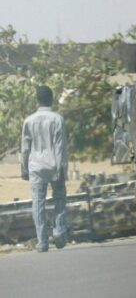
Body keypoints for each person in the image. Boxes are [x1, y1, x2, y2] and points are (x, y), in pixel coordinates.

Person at [20, 85, 68, 252]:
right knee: (60, 198)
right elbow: (59, 147)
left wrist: (24, 169)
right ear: (52, 99)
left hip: (36, 166)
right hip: (54, 164)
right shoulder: (57, 119)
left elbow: (25, 148)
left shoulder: (28, 121)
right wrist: (62, 169)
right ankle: (59, 230)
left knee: (38, 203)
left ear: (37, 100)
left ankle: (42, 242)